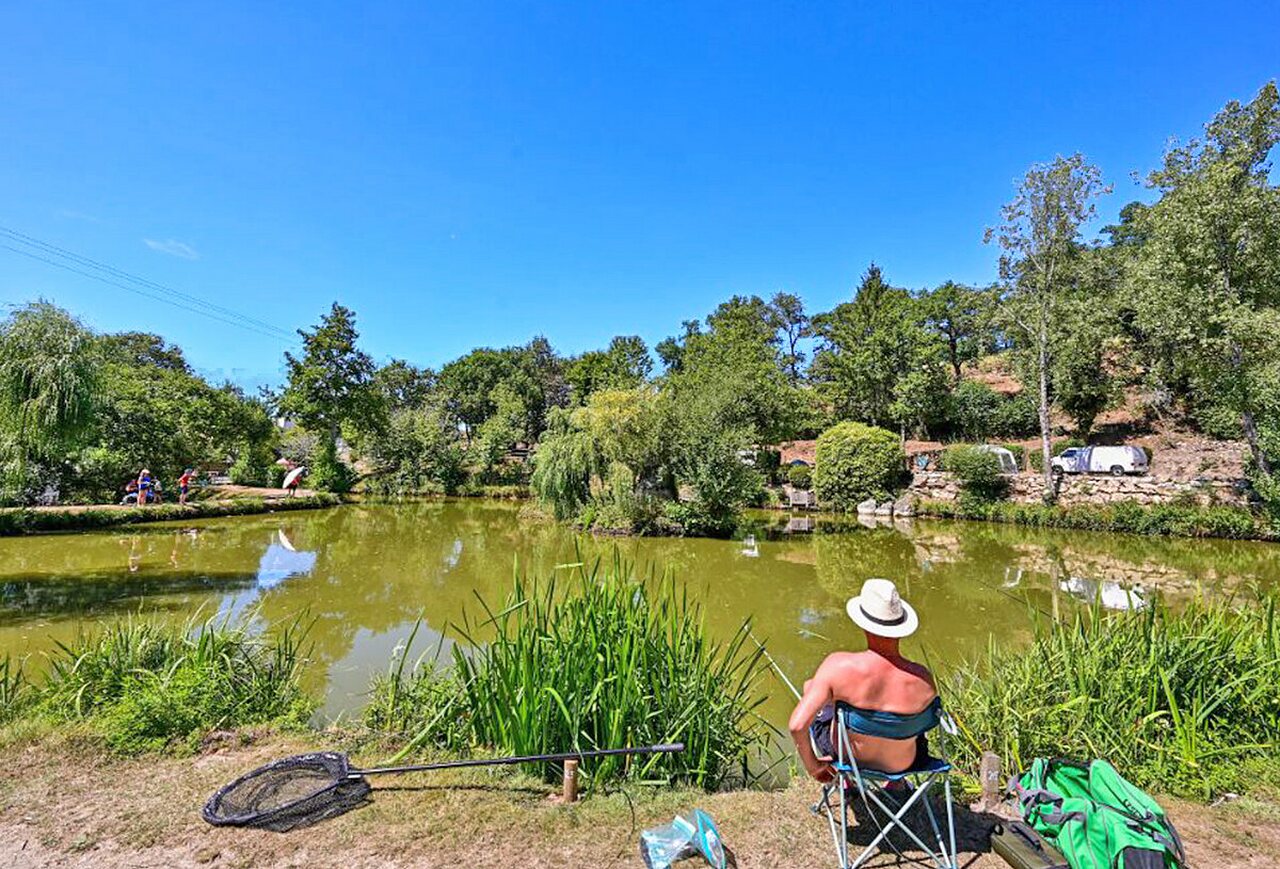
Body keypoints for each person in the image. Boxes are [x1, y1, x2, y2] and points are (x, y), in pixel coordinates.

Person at [788, 578, 936, 781]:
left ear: (863, 624)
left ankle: (847, 781)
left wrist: (814, 767)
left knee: (812, 689)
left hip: (850, 760)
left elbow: (797, 726)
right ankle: (897, 784)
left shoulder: (838, 666)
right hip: (904, 764)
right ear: (900, 626)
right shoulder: (923, 679)